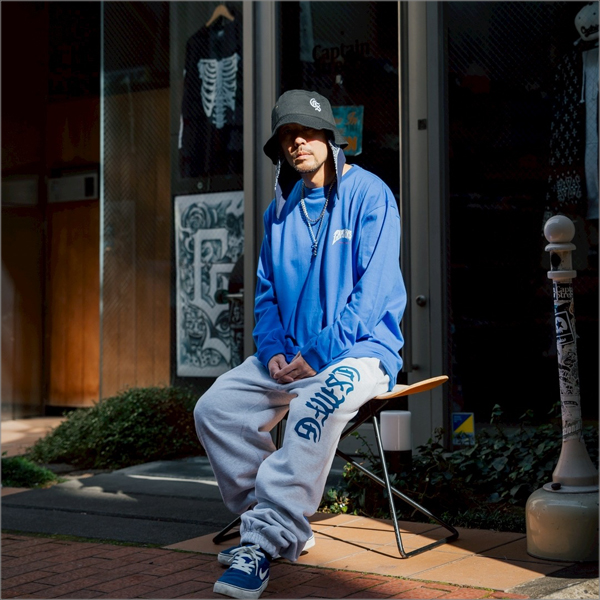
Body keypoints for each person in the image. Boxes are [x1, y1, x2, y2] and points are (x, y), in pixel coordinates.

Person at [194, 89, 407, 599]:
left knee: (313, 405)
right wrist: (271, 350)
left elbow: (372, 295)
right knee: (216, 408)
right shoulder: (280, 213)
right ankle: (270, 521)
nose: (297, 143)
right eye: (287, 136)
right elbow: (266, 295)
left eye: (307, 132)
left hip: (360, 353)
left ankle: (262, 543)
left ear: (329, 138)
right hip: (287, 357)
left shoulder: (370, 195)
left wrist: (315, 355)